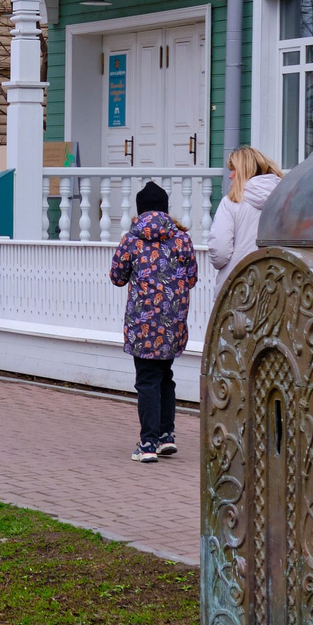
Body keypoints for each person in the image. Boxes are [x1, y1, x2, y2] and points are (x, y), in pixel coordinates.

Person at [108, 180, 197, 463]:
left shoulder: (131, 240)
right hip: (172, 322)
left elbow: (117, 277)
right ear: (165, 210)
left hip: (142, 323)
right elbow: (192, 278)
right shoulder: (181, 239)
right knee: (165, 378)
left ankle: (147, 444)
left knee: (147, 380)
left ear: (140, 210)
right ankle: (165, 436)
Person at [204, 147, 284, 286]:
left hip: (239, 284)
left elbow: (220, 251)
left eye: (233, 169)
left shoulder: (231, 202)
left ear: (244, 171)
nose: (230, 175)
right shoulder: (285, 200)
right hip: (277, 282)